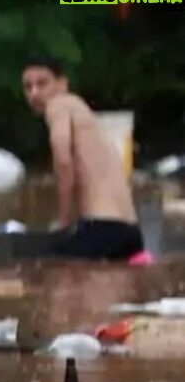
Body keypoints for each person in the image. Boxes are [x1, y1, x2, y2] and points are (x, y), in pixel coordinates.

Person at [22, 55, 144, 260]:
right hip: (130, 231)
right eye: (28, 87)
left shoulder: (59, 105)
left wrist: (63, 220)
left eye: (42, 83)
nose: (34, 93)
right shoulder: (86, 117)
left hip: (102, 228)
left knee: (47, 274)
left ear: (62, 84)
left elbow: (63, 160)